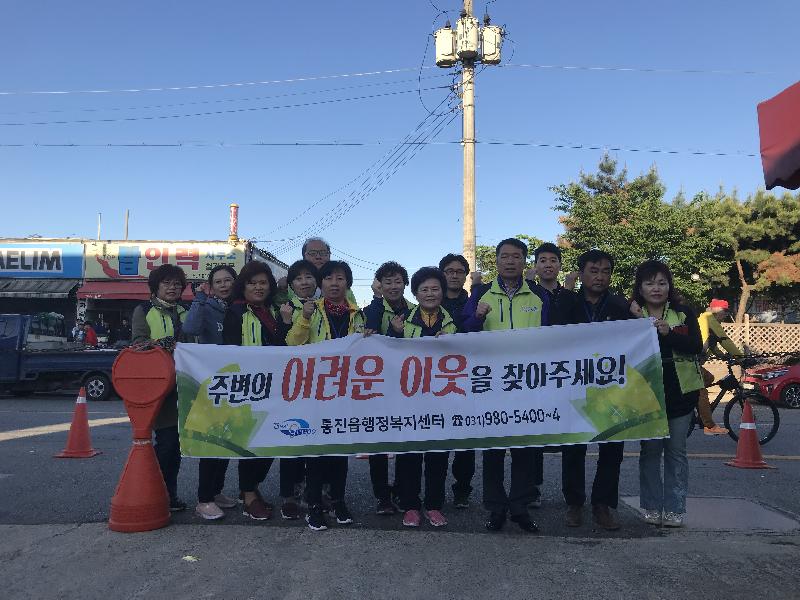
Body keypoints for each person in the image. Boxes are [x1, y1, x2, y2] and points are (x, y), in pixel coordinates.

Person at [462, 238, 550, 533]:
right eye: (504, 256)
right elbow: (465, 331)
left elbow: (555, 336)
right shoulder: (480, 293)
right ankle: (496, 508)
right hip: (492, 384)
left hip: (528, 383)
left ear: (524, 261)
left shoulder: (539, 294)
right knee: (493, 450)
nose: (510, 261)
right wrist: (477, 317)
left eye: (516, 256)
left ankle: (520, 507)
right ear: (496, 261)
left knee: (525, 449)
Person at [287, 260, 364, 531]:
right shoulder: (310, 310)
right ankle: (314, 505)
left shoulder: (358, 314)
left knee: (340, 451)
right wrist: (304, 319)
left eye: (340, 278)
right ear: (321, 284)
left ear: (347, 284)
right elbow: (292, 343)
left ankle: (338, 500)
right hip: (315, 391)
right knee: (316, 451)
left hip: (345, 392)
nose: (334, 283)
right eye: (329, 278)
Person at [559, 250, 631, 530]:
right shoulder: (569, 302)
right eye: (593, 270)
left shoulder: (621, 306)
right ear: (581, 274)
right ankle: (574, 503)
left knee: (612, 450)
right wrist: (566, 292)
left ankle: (602, 505)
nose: (600, 277)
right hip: (574, 385)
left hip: (612, 388)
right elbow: (552, 330)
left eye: (605, 271)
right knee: (573, 449)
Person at [632, 260, 704, 528]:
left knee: (676, 452)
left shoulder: (683, 313)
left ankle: (675, 509)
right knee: (650, 452)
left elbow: (695, 345)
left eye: (662, 282)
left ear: (669, 286)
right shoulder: (631, 314)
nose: (656, 288)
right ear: (640, 287)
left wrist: (669, 333)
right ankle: (651, 507)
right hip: (645, 394)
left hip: (681, 393)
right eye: (650, 283)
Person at [386, 267, 455, 527]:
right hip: (409, 399)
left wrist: (453, 341)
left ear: (442, 292)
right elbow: (389, 356)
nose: (430, 294)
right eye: (424, 289)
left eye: (435, 289)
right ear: (415, 293)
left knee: (438, 455)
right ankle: (410, 506)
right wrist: (394, 333)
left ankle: (434, 505)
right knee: (409, 456)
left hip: (443, 398)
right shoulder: (402, 321)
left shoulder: (453, 322)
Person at [222, 261, 291, 521]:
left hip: (275, 388)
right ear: (243, 286)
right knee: (251, 442)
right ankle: (249, 494)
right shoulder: (235, 312)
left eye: (263, 282)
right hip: (247, 388)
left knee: (271, 442)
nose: (258, 287)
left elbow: (282, 345)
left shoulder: (274, 311)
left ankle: (251, 488)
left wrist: (285, 322)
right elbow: (228, 350)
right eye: (252, 283)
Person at [183, 265, 239, 521]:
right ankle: (204, 499)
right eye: (219, 282)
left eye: (228, 280)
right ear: (212, 286)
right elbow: (190, 329)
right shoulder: (205, 306)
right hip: (211, 383)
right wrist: (199, 298)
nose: (224, 285)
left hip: (234, 382)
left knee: (226, 440)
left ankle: (216, 492)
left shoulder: (237, 307)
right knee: (211, 441)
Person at [131, 264, 189, 511]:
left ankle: (168, 495)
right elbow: (138, 344)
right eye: (167, 283)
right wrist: (162, 344)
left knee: (176, 446)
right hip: (159, 387)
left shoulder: (187, 311)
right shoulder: (143, 310)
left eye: (177, 284)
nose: (172, 288)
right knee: (166, 443)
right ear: (155, 287)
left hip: (185, 384)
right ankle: (158, 494)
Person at [363, 261, 416, 516]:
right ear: (379, 285)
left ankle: (404, 490)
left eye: (398, 281)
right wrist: (376, 300)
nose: (393, 286)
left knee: (406, 440)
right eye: (387, 282)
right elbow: (370, 333)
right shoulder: (370, 310)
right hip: (378, 385)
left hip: (408, 385)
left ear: (405, 284)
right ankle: (382, 496)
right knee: (379, 442)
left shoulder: (415, 311)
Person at [274, 259, 321, 520]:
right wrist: (285, 321)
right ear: (291, 284)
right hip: (292, 385)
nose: (304, 282)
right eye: (299, 278)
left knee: (316, 442)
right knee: (291, 439)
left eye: (309, 277)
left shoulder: (325, 307)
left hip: (322, 385)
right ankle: (288, 495)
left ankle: (314, 493)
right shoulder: (284, 308)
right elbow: (281, 345)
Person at [438, 253, 475, 508]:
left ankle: (462, 490)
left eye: (459, 271)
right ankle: (436, 495)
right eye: (449, 271)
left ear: (465, 276)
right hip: (436, 383)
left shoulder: (474, 303)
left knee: (465, 443)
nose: (454, 275)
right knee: (438, 443)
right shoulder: (428, 302)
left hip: (467, 381)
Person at [695, 299, 744, 435]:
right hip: (690, 364)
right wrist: (741, 358)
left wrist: (723, 356)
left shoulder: (705, 320)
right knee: (702, 393)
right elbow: (724, 340)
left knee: (709, 378)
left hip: (694, 363)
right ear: (718, 311)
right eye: (725, 312)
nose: (726, 315)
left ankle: (693, 403)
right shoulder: (709, 318)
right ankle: (709, 426)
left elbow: (713, 345)